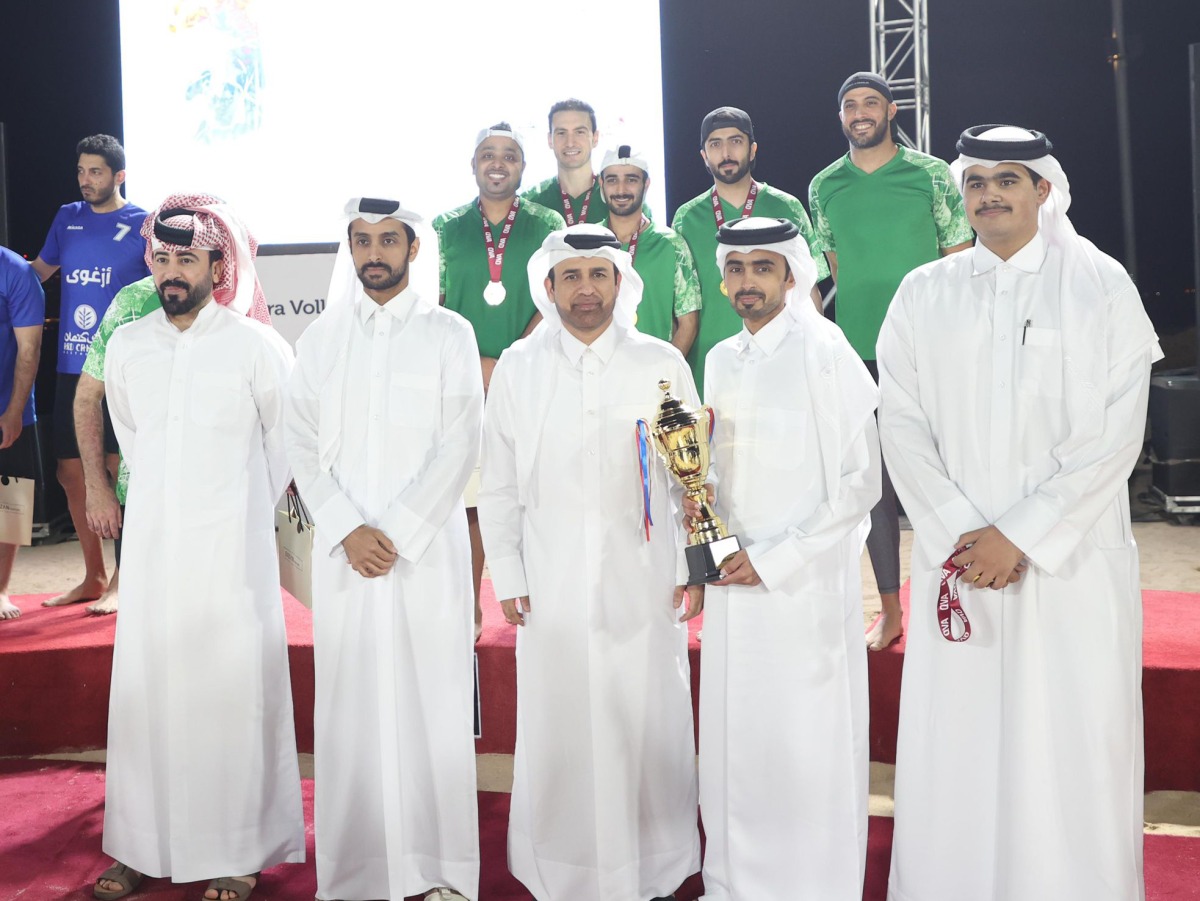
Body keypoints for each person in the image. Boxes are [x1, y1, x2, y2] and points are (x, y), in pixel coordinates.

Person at [877, 125, 1162, 901]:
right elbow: (899, 423)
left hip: (1068, 570)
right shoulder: (921, 294)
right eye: (976, 181)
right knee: (958, 740)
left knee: (1068, 741)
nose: (990, 194)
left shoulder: (1101, 285)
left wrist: (1021, 536)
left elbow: (1115, 438)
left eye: (1009, 178)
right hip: (962, 563)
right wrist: (966, 538)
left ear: (1044, 189)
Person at [478, 224, 702, 901]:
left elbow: (695, 482)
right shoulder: (519, 366)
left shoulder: (660, 360)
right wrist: (509, 574)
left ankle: (652, 868)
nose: (585, 289)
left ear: (620, 283)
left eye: (597, 275)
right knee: (562, 721)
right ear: (548, 286)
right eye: (570, 276)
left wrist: (695, 564)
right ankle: (563, 870)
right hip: (551, 586)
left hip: (644, 579)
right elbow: (499, 483)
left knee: (645, 714)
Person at [94, 197, 302, 901]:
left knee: (230, 700)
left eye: (189, 258)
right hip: (151, 560)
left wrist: (231, 516)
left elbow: (285, 450)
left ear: (219, 264)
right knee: (147, 699)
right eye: (164, 258)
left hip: (231, 562)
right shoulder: (128, 345)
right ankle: (139, 844)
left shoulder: (256, 347)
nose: (173, 271)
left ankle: (238, 852)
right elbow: (131, 437)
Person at [285, 197, 482, 901]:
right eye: (363, 240)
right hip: (348, 558)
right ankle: (357, 874)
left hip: (422, 555)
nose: (375, 252)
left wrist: (393, 530)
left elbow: (464, 439)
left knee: (432, 704)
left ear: (413, 248)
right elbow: (298, 440)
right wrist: (346, 526)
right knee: (351, 707)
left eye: (388, 240)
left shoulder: (449, 333)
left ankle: (440, 873)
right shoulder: (321, 339)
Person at [692, 217, 880, 899]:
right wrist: (711, 544)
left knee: (804, 746)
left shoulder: (824, 350)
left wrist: (776, 559)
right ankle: (734, 882)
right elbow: (708, 479)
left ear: (790, 274)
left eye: (761, 267)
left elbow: (861, 483)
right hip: (733, 584)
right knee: (737, 744)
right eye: (736, 267)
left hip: (801, 589)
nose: (747, 281)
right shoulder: (717, 358)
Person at [808, 72, 974, 651]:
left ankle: (962, 595)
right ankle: (891, 609)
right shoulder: (824, 184)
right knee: (875, 486)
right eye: (849, 104)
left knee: (947, 474)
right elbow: (830, 270)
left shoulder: (932, 175)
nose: (859, 112)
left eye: (870, 103)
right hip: (859, 356)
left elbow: (960, 262)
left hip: (932, 353)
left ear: (891, 109)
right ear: (841, 116)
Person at [432, 123, 564, 640]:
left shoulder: (546, 222)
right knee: (467, 494)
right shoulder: (444, 227)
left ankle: (542, 599)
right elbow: (436, 301)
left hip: (528, 376)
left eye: (509, 155)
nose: (498, 162)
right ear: (472, 165)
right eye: (488, 154)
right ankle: (468, 605)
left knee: (527, 488)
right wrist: (471, 363)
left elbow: (553, 295)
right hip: (459, 381)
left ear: (522, 168)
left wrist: (507, 361)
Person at [30, 135, 149, 611]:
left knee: (121, 472)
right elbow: (38, 271)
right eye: (81, 171)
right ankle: (93, 575)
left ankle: (125, 578)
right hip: (71, 366)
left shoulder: (143, 223)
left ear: (119, 176)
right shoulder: (67, 217)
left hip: (121, 369)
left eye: (95, 172)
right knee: (70, 471)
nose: (85, 180)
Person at [672, 107, 827, 393]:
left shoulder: (786, 207)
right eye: (715, 144)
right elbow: (681, 303)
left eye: (736, 141)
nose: (726, 152)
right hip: (709, 362)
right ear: (704, 156)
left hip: (780, 358)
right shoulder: (686, 217)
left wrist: (817, 350)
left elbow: (810, 289)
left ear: (753, 149)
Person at [74, 273, 159, 614]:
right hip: (144, 475)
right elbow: (86, 398)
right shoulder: (132, 301)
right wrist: (95, 487)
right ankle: (120, 582)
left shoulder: (240, 302)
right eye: (163, 255)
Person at [598, 145, 700, 356]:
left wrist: (664, 375)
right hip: (597, 373)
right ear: (601, 185)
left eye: (631, 180)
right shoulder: (588, 242)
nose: (621, 189)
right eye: (612, 180)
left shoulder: (672, 244)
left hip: (653, 373)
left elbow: (688, 323)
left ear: (646, 184)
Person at [0, 248, 45, 621]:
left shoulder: (16, 271)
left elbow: (29, 349)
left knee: (11, 501)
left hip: (6, 406)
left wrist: (14, 412)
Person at [523, 99, 608, 225]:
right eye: (561, 133)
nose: (570, 143)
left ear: (595, 138)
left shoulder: (619, 197)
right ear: (550, 140)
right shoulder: (530, 202)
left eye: (580, 132)